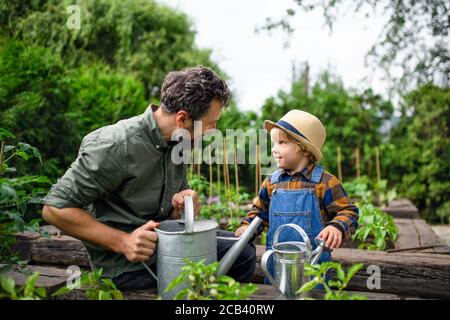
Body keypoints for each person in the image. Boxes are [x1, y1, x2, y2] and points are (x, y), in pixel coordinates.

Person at [42, 66, 256, 290]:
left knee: (241, 250)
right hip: (127, 266)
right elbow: (54, 209)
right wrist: (122, 242)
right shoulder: (116, 145)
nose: (213, 131)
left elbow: (170, 214)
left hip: (165, 246)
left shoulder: (179, 143)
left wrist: (181, 206)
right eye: (211, 124)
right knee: (238, 259)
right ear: (182, 118)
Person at [235, 109, 359, 279]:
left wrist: (336, 226)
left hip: (314, 271)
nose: (274, 149)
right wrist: (247, 227)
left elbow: (349, 211)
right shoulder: (272, 182)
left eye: (282, 143)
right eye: (274, 143)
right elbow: (259, 213)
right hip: (277, 268)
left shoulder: (324, 182)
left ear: (304, 149)